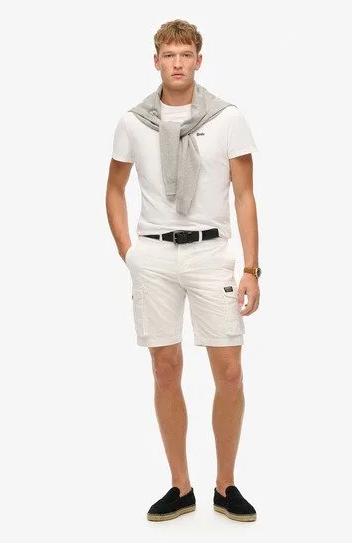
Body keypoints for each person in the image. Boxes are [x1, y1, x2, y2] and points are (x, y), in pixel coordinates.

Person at [105, 19, 261, 523]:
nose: (177, 63)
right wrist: (129, 252)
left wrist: (252, 268)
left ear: (199, 60)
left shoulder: (227, 118)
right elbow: (114, 189)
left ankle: (226, 485)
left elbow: (244, 195)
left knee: (230, 373)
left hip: (211, 252)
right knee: (165, 368)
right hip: (153, 255)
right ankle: (180, 486)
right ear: (156, 61)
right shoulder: (133, 122)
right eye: (169, 55)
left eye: (185, 54)